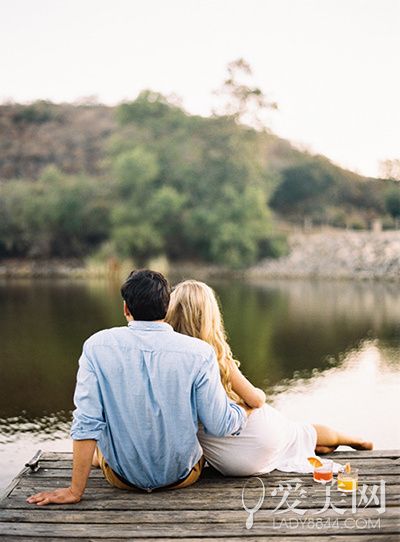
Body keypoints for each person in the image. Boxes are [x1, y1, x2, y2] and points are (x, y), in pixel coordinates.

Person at [27, 270, 248, 506]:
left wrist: (74, 491)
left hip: (121, 479)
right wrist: (243, 411)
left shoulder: (96, 347)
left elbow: (87, 421)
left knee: (103, 440)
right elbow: (219, 424)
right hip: (182, 477)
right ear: (166, 308)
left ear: (126, 309)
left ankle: (98, 459)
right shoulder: (200, 353)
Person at [166, 280, 373, 477]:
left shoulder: (168, 360)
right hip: (260, 435)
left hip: (233, 463)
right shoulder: (217, 356)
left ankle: (344, 441)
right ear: (211, 317)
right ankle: (356, 440)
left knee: (302, 441)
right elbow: (255, 400)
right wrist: (261, 395)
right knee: (300, 433)